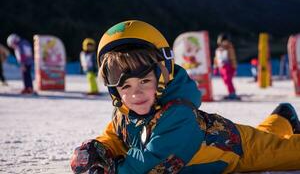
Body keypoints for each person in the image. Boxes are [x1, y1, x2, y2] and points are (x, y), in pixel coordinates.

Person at [70, 20, 300, 174]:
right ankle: (283, 118)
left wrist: (111, 169)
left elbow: (153, 165)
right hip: (230, 137)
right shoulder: (125, 111)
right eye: (125, 86)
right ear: (113, 90)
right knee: (267, 134)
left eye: (144, 81)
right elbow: (115, 135)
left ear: (163, 75)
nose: (135, 94)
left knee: (284, 150)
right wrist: (98, 149)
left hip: (241, 150)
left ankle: (282, 121)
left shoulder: (177, 116)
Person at [213, 33, 239, 100]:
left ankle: (232, 93)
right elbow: (216, 59)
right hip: (221, 67)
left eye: (226, 41)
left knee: (228, 80)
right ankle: (231, 92)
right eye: (223, 41)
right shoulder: (218, 50)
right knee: (225, 81)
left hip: (228, 67)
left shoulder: (229, 48)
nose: (225, 43)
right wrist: (215, 67)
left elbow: (233, 58)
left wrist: (234, 67)